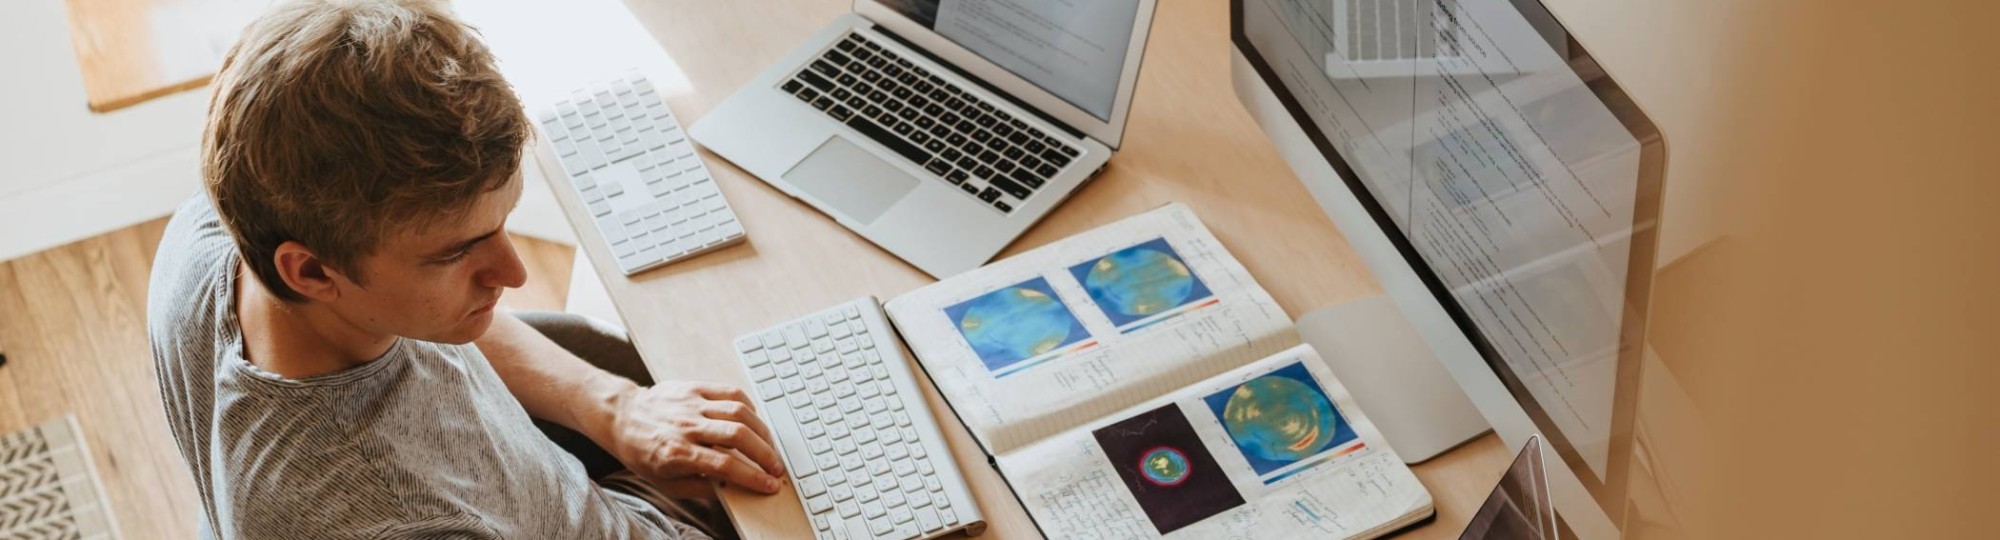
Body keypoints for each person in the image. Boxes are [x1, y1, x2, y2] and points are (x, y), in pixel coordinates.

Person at [144, 0, 786, 537]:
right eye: (456, 252)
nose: (512, 272)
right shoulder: (382, 508)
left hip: (577, 487)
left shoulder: (226, 221)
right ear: (310, 273)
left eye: (501, 225)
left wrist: (612, 407)